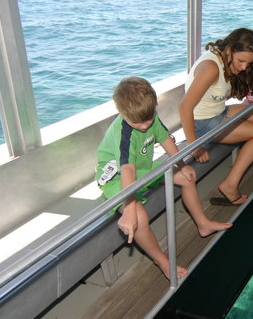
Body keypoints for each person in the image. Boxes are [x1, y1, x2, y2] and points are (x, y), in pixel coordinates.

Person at [96, 77, 232, 280]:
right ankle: (163, 262)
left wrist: (181, 165)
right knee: (138, 217)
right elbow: (127, 171)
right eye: (137, 122)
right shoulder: (123, 133)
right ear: (122, 114)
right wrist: (129, 209)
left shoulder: (149, 116)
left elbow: (165, 139)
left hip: (142, 168)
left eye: (148, 120)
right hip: (116, 177)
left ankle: (203, 223)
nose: (144, 126)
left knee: (186, 178)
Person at [180, 28, 253, 207]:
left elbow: (246, 88)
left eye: (248, 63)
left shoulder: (226, 60)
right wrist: (194, 147)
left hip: (218, 112)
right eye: (241, 61)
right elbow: (184, 107)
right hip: (202, 123)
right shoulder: (211, 68)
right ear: (229, 49)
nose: (244, 67)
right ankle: (229, 185)